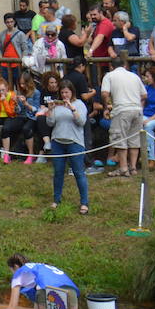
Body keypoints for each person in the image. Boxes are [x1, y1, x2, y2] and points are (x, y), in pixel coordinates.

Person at [37, 83, 89, 213]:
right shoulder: (57, 105)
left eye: (67, 92)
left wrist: (72, 108)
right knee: (58, 173)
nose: (64, 95)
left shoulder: (79, 104)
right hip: (57, 142)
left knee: (78, 172)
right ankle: (56, 199)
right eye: (62, 93)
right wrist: (50, 110)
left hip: (74, 142)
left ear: (72, 92)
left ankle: (84, 202)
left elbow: (81, 122)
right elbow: (50, 123)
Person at [103, 53, 145, 177]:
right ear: (125, 65)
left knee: (119, 139)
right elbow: (144, 95)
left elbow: (105, 94)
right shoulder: (134, 76)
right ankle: (133, 168)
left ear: (111, 66)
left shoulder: (109, 76)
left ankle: (123, 168)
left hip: (121, 110)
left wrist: (106, 108)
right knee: (134, 139)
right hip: (136, 109)